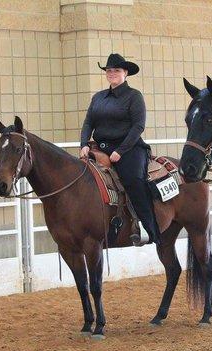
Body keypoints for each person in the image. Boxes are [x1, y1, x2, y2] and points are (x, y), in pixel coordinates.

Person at [80, 53, 160, 246]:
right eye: (109, 70)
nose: (112, 73)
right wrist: (83, 144)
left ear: (125, 73)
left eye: (116, 70)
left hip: (129, 148)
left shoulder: (134, 97)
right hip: (100, 148)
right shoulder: (98, 97)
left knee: (133, 180)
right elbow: (88, 122)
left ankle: (148, 229)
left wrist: (121, 151)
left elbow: (138, 126)